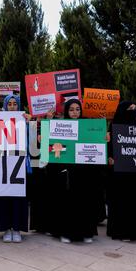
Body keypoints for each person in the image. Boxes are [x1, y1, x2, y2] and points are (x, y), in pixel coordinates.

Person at [49, 99, 102, 243]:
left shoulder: (87, 125)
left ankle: (86, 232)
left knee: (85, 201)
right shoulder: (59, 125)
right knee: (68, 203)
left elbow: (96, 146)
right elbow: (54, 149)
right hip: (67, 171)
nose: (75, 112)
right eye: (71, 109)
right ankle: (66, 233)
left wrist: (103, 138)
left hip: (84, 171)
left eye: (77, 109)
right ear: (66, 111)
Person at [106, 101, 136, 241]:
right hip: (120, 173)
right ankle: (122, 232)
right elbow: (108, 147)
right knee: (121, 202)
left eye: (134, 108)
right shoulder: (113, 127)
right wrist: (109, 157)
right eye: (129, 108)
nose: (132, 110)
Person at [0, 95, 29, 243]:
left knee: (18, 198)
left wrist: (30, 122)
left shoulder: (24, 121)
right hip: (3, 164)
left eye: (15, 104)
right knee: (4, 198)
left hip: (19, 165)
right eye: (10, 104)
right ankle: (6, 229)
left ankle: (17, 229)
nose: (13, 106)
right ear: (6, 106)